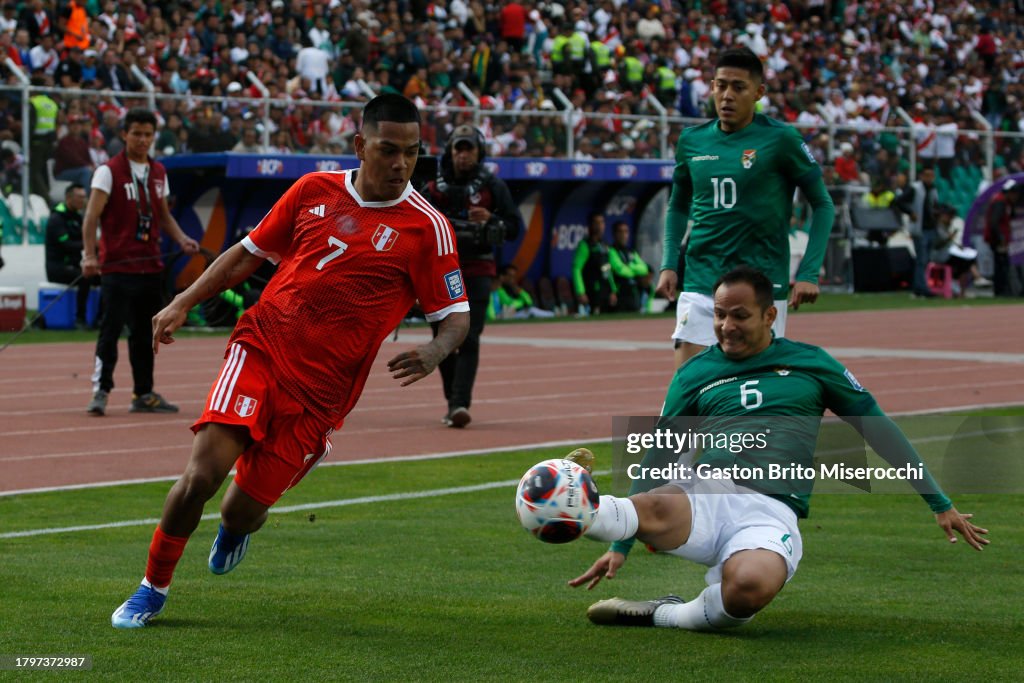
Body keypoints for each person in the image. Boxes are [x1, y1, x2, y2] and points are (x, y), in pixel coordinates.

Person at [110, 94, 470, 629]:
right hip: (261, 346)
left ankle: (234, 530)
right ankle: (151, 588)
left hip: (321, 396)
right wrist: (183, 301)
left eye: (412, 153)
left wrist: (437, 350)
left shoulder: (427, 227)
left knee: (240, 511)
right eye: (388, 150)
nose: (400, 164)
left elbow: (456, 315)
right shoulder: (312, 190)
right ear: (359, 145)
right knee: (202, 474)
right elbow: (246, 254)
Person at [567, 266, 988, 632]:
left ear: (770, 315)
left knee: (746, 591)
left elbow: (878, 429)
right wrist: (619, 545)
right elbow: (660, 453)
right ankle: (565, 495)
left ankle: (665, 613)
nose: (726, 326)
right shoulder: (696, 373)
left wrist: (939, 502)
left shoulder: (814, 363)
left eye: (739, 315)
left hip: (771, 510)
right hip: (707, 493)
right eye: (718, 315)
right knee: (652, 505)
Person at [657, 47, 834, 367]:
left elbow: (823, 204)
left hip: (762, 288)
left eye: (738, 87)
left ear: (758, 93)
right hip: (702, 282)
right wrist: (669, 263)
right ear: (711, 87)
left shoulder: (781, 140)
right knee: (688, 392)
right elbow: (678, 204)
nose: (727, 95)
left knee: (752, 396)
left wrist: (808, 273)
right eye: (721, 85)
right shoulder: (691, 141)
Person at [81, 108, 200, 416]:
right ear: (124, 134)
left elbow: (163, 215)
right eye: (137, 133)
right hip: (118, 268)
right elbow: (91, 215)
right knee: (110, 332)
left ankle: (143, 393)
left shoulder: (159, 171)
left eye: (148, 134)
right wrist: (90, 255)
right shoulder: (108, 171)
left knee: (146, 333)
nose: (143, 140)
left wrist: (183, 239)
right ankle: (101, 391)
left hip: (150, 268)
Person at [419, 124, 519, 429]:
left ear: (479, 152)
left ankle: (459, 403)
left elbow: (514, 226)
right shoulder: (433, 187)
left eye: (469, 149)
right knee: (441, 337)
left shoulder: (493, 186)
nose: (463, 155)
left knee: (470, 336)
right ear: (449, 152)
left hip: (477, 268)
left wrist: (492, 220)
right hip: (440, 270)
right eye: (458, 149)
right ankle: (453, 400)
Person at [44, 183, 96, 327]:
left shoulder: (78, 217)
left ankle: (100, 319)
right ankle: (80, 319)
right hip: (58, 268)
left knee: (105, 278)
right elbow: (67, 245)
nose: (83, 201)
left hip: (73, 266)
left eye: (84, 197)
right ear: (69, 198)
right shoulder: (56, 218)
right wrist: (91, 244)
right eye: (80, 197)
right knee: (85, 278)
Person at [895, 167, 940, 298]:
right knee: (921, 259)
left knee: (926, 260)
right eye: (927, 175)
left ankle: (920, 285)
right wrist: (910, 212)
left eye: (931, 175)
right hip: (919, 229)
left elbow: (935, 205)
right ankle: (921, 288)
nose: (929, 178)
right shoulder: (915, 188)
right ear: (921, 176)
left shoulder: (933, 189)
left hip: (930, 228)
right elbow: (899, 201)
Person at [573, 212, 617, 314]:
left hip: (605, 291)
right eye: (596, 223)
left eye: (601, 223)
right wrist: (580, 292)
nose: (599, 226)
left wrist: (613, 290)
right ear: (590, 225)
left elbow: (607, 268)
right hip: (591, 291)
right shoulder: (585, 245)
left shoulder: (605, 245)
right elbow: (576, 269)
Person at [984, 177, 1019, 297]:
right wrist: (1000, 238)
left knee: (1002, 264)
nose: (1016, 198)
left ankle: (1003, 290)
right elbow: (994, 222)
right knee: (1001, 266)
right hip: (998, 240)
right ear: (1010, 192)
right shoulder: (1000, 201)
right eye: (1015, 194)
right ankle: (1001, 291)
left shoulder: (1005, 202)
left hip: (1000, 239)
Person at [608, 220, 652, 312]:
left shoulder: (631, 251)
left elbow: (644, 268)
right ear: (614, 234)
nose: (623, 235)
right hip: (620, 293)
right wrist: (635, 270)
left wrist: (630, 266)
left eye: (626, 231)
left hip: (634, 292)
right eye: (620, 231)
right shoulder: (611, 251)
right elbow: (621, 270)